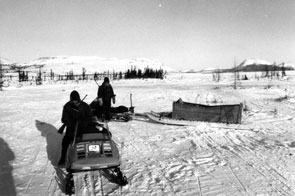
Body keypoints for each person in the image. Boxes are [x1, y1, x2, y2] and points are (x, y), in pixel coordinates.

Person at [58, 90, 92, 166]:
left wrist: (83, 122)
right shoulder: (67, 107)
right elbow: (64, 118)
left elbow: (90, 117)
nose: (75, 103)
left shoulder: (85, 106)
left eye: (76, 101)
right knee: (66, 142)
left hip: (83, 127)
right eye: (73, 101)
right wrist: (73, 123)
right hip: (71, 128)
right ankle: (63, 158)